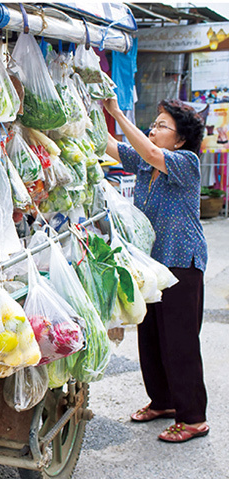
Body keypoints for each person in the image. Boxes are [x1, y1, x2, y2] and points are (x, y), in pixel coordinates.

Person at [103, 97, 208, 443]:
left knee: (179, 341)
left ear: (179, 139)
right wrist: (80, 113)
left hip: (182, 262)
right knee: (150, 337)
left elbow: (148, 152)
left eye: (162, 125)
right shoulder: (149, 166)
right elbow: (111, 147)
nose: (153, 128)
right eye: (155, 123)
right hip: (151, 266)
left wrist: (117, 112)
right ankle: (163, 401)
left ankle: (193, 417)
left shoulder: (185, 162)